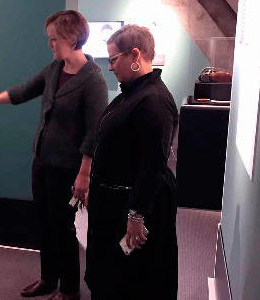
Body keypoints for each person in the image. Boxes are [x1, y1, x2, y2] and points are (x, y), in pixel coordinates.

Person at [0, 10, 108, 300]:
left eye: (54, 39)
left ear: (72, 37)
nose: (50, 44)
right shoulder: (55, 70)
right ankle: (48, 279)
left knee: (63, 227)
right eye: (50, 39)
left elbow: (95, 133)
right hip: (42, 162)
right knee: (44, 222)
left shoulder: (93, 80)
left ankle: (69, 290)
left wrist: (84, 175)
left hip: (68, 169)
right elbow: (23, 91)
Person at [83, 24, 178, 300]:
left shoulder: (154, 100)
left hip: (131, 206)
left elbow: (153, 164)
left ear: (135, 55)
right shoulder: (133, 93)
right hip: (113, 203)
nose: (110, 67)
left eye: (113, 59)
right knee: (110, 275)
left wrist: (136, 215)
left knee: (131, 280)